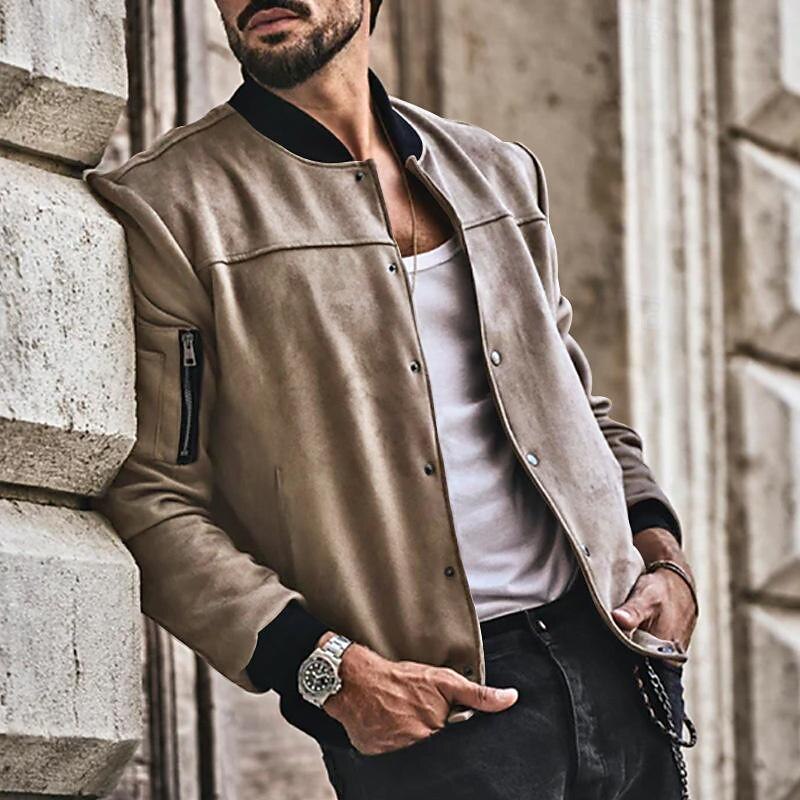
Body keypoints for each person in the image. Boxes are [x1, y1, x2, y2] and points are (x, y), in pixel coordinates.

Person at [84, 1, 700, 797]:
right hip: (436, 716)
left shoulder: (497, 171)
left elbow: (579, 410)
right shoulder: (170, 206)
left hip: (617, 664)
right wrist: (326, 673)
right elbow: (151, 495)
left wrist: (665, 559)